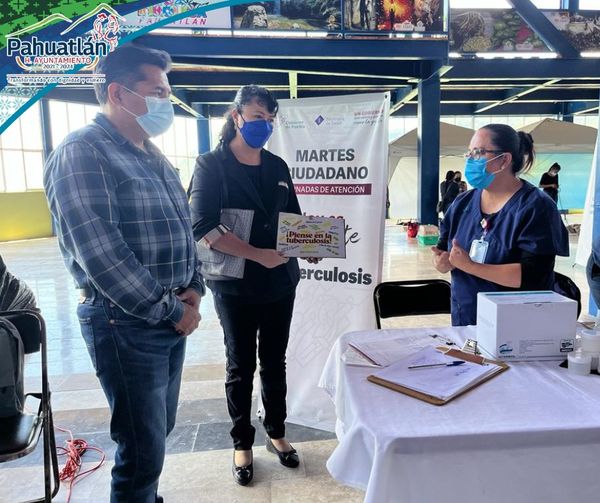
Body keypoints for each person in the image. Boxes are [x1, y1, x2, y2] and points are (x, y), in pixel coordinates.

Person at [44, 44, 203, 503]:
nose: (167, 102)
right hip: (125, 323)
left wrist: (194, 286)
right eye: (158, 92)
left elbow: (183, 227)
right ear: (118, 93)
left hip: (167, 317)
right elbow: (103, 255)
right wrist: (172, 309)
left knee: (156, 431)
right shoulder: (82, 153)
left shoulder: (151, 155)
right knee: (141, 446)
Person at [190, 85, 315, 486]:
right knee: (240, 364)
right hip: (234, 285)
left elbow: (292, 217)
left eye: (270, 119)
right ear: (236, 116)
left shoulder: (277, 166)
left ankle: (276, 431)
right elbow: (203, 226)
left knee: (274, 361)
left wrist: (309, 245)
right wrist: (257, 254)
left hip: (280, 281)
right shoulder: (211, 165)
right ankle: (241, 441)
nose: (265, 125)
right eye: (258, 116)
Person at [431, 124, 569, 326]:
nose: (470, 159)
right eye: (468, 153)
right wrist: (442, 262)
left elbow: (532, 276)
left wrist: (471, 266)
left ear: (504, 160)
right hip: (466, 321)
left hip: (517, 326)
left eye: (478, 152)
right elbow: (444, 249)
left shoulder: (536, 207)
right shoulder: (462, 203)